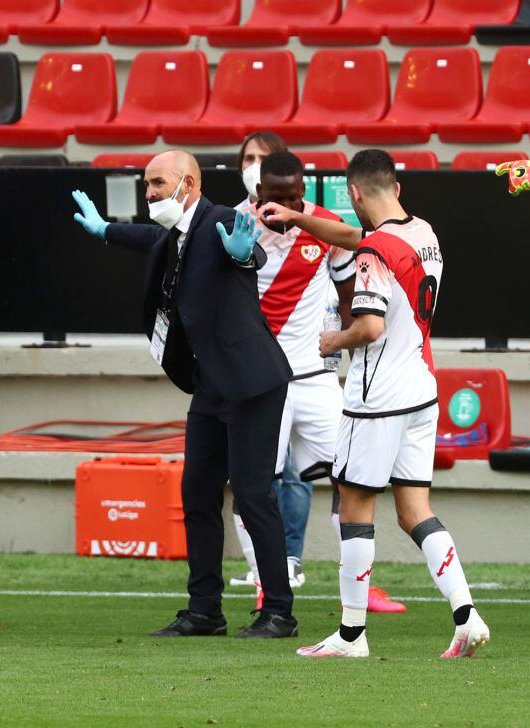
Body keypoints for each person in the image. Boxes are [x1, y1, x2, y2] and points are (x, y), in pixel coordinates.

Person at [270, 150, 489, 659]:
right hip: (421, 388)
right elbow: (370, 253)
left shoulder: (372, 253)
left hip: (377, 396)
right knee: (415, 511)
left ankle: (351, 636)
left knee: (354, 507)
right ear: (397, 188)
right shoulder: (426, 233)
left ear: (353, 195)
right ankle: (466, 612)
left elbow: (370, 326)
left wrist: (333, 341)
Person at [72, 150, 298, 639]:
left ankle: (279, 611)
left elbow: (247, 253)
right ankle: (204, 611)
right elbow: (148, 236)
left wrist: (243, 253)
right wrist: (105, 229)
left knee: (254, 495)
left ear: (189, 183)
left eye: (157, 183)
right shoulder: (173, 233)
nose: (149, 193)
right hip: (210, 384)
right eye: (147, 184)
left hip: (253, 380)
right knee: (197, 493)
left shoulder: (221, 220)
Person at [231, 150, 408, 614]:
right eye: (274, 197)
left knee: (351, 478)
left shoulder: (323, 226)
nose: (283, 206)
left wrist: (356, 356)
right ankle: (266, 584)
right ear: (258, 192)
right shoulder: (235, 224)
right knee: (254, 484)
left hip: (314, 375)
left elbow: (352, 282)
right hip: (259, 377)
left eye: (293, 197)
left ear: (303, 192)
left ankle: (360, 584)